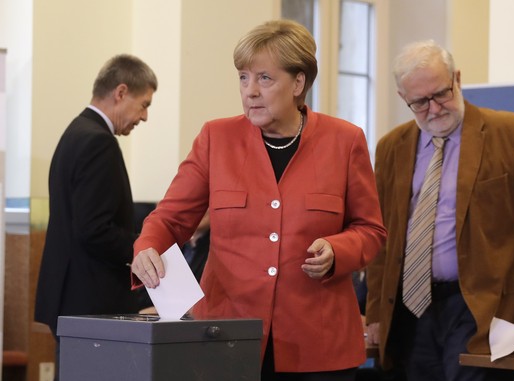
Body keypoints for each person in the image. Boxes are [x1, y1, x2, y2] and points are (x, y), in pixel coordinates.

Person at [131, 19, 386, 381]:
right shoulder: (216, 138)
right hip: (226, 338)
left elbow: (370, 230)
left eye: (265, 78)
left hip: (317, 344)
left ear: (298, 83)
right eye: (243, 77)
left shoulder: (344, 141)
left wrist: (337, 250)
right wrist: (147, 247)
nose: (250, 91)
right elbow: (169, 218)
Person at [365, 40, 514, 381]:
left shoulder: (512, 133)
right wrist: (374, 312)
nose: (435, 108)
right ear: (404, 99)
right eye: (420, 102)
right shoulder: (391, 147)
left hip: (481, 303)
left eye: (441, 93)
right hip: (410, 306)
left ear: (457, 78)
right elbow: (381, 236)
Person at [34, 54, 158, 379]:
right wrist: (144, 249)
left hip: (71, 296)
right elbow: (94, 230)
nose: (144, 116)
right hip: (90, 301)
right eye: (143, 104)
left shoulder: (76, 131)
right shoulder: (98, 142)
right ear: (120, 92)